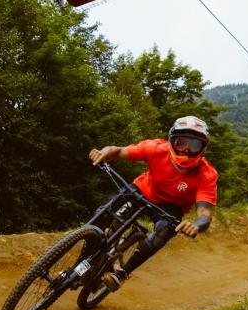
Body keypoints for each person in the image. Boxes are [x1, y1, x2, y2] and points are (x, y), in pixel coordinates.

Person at [87, 115, 218, 290]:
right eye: (181, 143)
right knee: (102, 215)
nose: (186, 149)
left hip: (171, 207)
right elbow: (118, 151)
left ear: (202, 148)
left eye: (194, 145)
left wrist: (196, 224)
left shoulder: (207, 174)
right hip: (142, 190)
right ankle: (82, 261)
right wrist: (104, 152)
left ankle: (122, 273)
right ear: (172, 142)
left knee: (163, 232)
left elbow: (205, 215)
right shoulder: (155, 149)